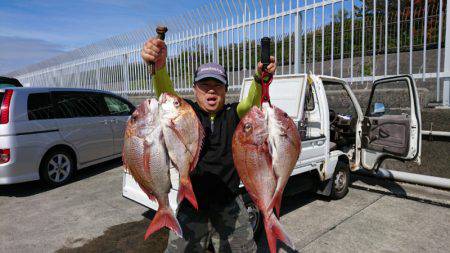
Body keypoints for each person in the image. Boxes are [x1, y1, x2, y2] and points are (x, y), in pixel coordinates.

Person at [141, 37, 276, 253]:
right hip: (192, 203)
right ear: (194, 89)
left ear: (225, 90)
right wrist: (159, 69)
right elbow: (166, 97)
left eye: (217, 85)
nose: (211, 91)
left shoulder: (235, 115)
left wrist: (260, 79)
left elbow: (251, 103)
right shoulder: (186, 113)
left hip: (229, 203)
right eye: (204, 85)